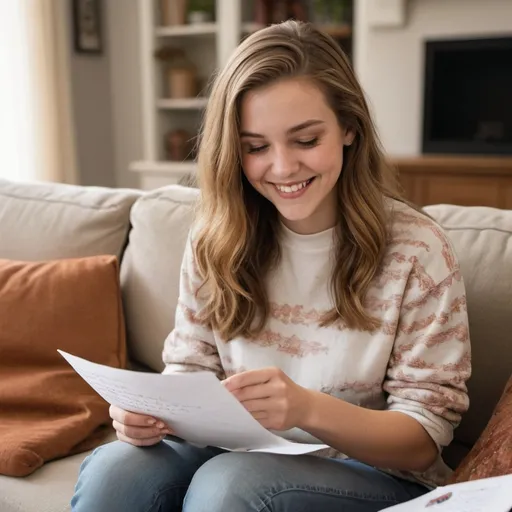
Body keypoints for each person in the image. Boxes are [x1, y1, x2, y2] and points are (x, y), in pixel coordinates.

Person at [71, 20, 471, 512]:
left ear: (349, 127)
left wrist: (307, 409)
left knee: (231, 483)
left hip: (376, 475)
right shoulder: (216, 237)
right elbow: (191, 368)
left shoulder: (418, 250)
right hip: (237, 453)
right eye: (255, 147)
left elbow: (424, 437)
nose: (282, 168)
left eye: (305, 140)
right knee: (118, 468)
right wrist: (150, 412)